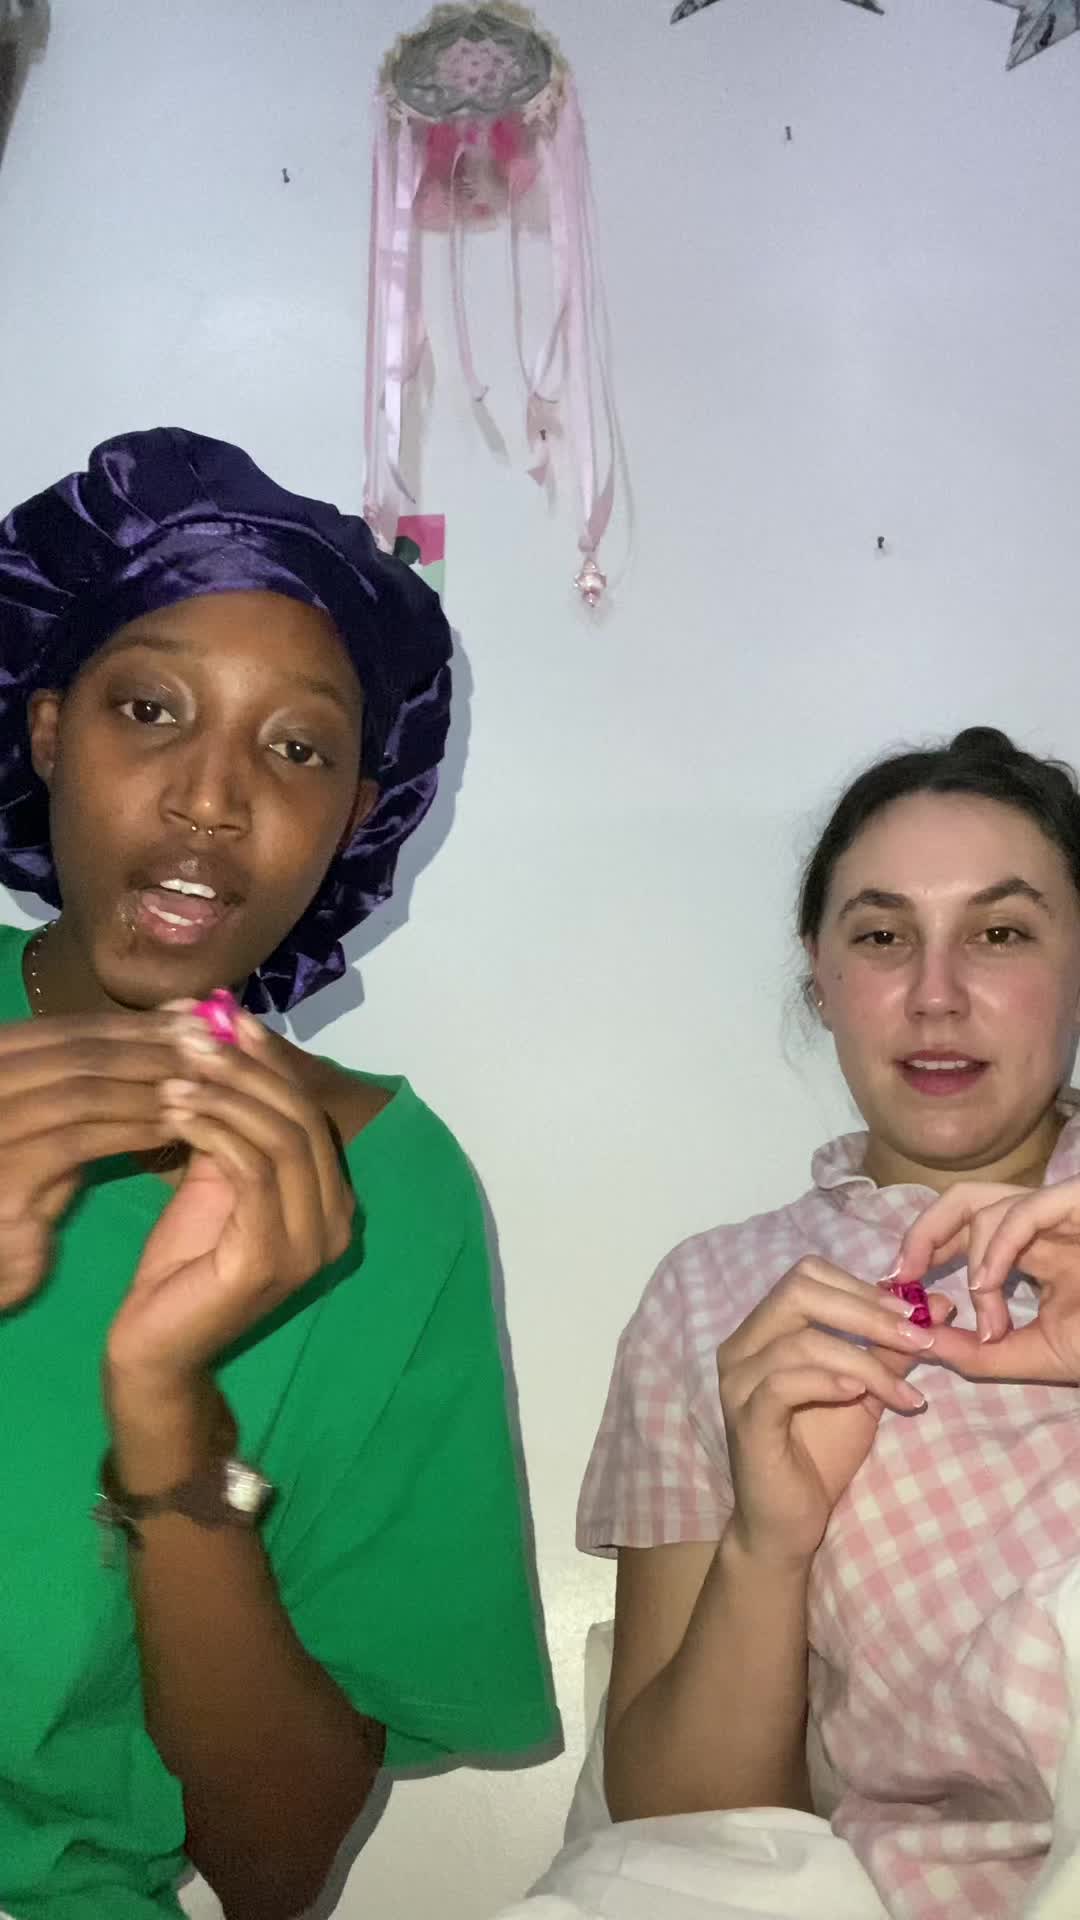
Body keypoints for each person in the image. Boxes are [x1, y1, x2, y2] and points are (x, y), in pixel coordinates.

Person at [0, 428, 555, 1920]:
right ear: (49, 732)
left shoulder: (388, 1194)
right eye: (150, 710)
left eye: (296, 749)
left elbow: (272, 1867)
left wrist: (167, 1418)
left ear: (354, 818)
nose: (210, 798)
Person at [577, 725, 1080, 1920]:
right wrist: (770, 1543)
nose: (937, 995)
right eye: (883, 937)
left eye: (1001, 934)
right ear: (821, 975)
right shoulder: (715, 1296)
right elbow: (680, 1833)